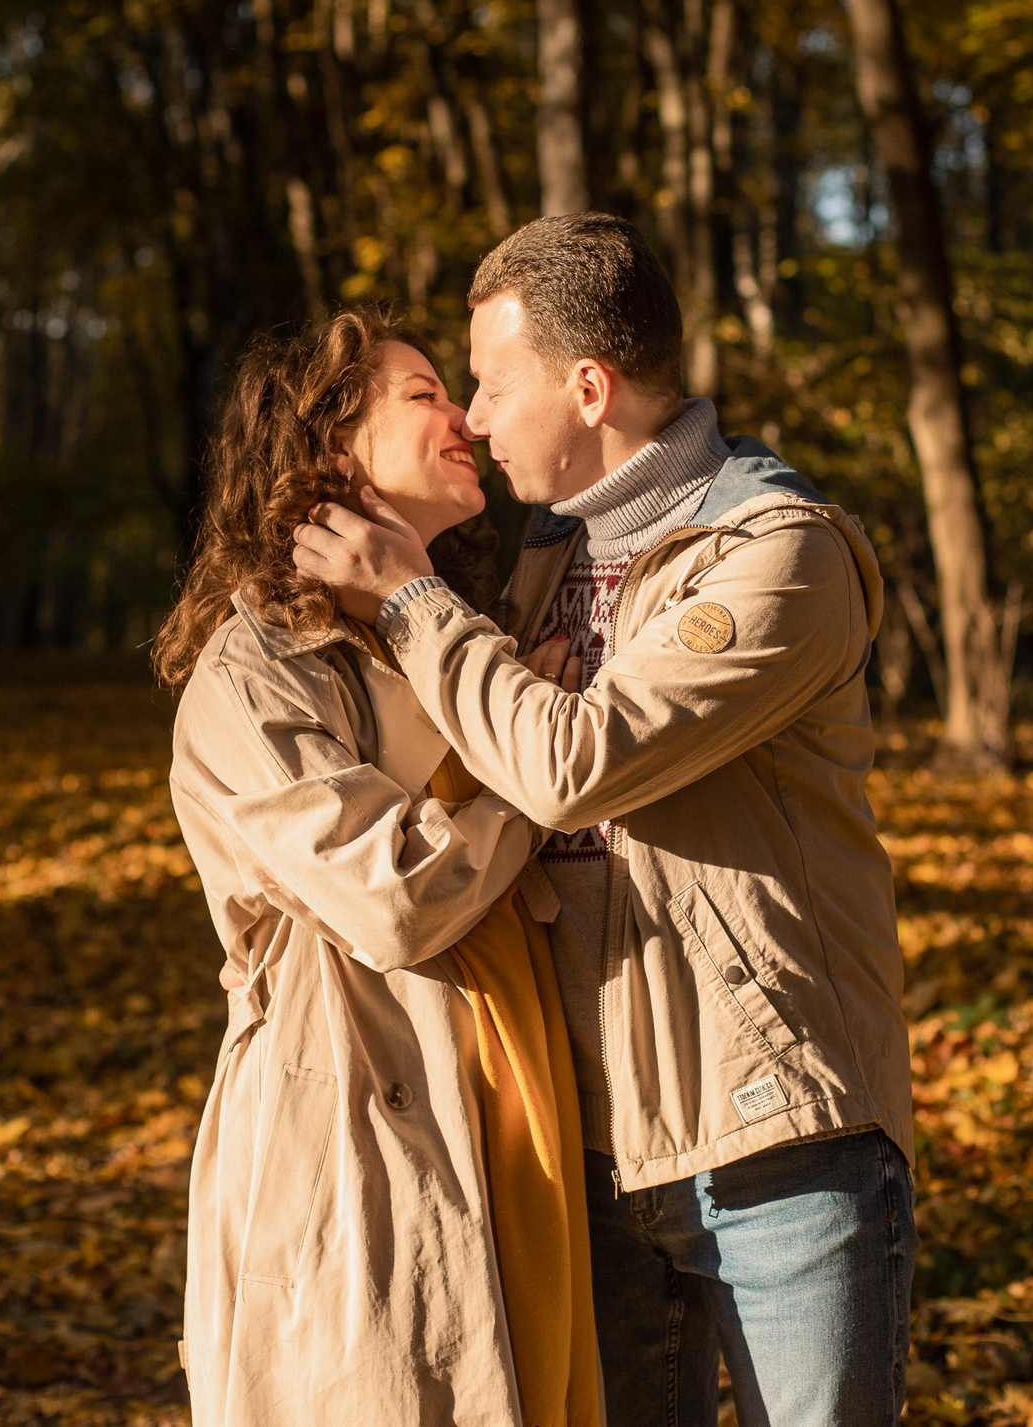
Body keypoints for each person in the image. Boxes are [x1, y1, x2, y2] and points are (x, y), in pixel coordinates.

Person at [295, 213, 916, 1427]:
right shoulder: (547, 556)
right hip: (588, 1148)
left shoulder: (777, 555)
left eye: (488, 382)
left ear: (589, 388)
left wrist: (413, 600)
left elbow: (571, 763)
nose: (471, 415)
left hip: (774, 1143)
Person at [156, 310, 600, 1427]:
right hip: (354, 1123)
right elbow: (390, 899)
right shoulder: (252, 673)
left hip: (515, 1088)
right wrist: (519, 765)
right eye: (424, 395)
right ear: (328, 448)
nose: (465, 418)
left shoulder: (453, 632)